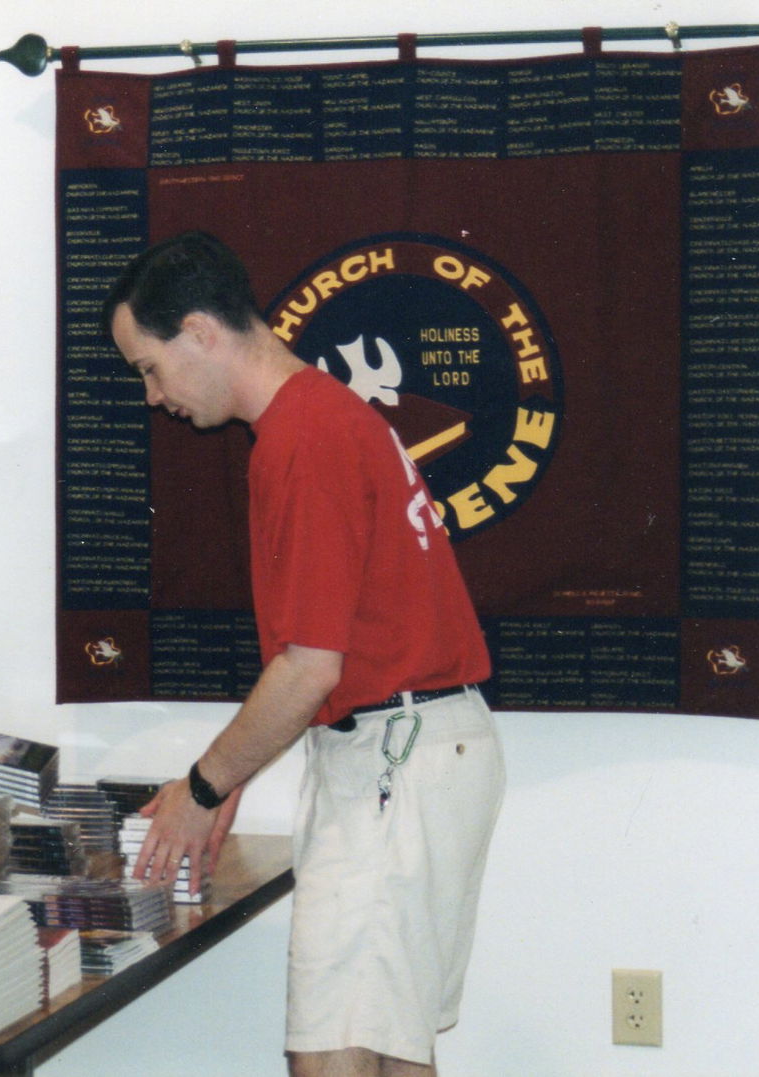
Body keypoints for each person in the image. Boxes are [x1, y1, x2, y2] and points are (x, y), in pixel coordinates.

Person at [106, 231, 503, 1077]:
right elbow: (323, 658)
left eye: (149, 366)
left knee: (333, 1057)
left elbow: (307, 666)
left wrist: (203, 787)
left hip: (397, 762)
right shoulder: (321, 416)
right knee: (387, 1050)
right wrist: (229, 781)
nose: (152, 396)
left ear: (202, 333)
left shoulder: (302, 438)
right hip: (410, 754)